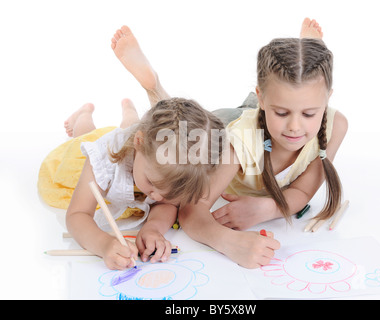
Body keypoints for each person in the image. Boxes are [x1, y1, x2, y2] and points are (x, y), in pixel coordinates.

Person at [109, 18, 348, 269]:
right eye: (282, 113)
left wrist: (267, 208)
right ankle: (154, 88)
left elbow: (302, 191)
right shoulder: (236, 143)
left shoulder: (335, 126)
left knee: (295, 91)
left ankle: (307, 51)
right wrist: (228, 241)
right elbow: (191, 209)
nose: (295, 127)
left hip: (265, 117)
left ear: (327, 100)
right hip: (225, 125)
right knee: (179, 141)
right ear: (262, 99)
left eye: (309, 114)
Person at [38, 95, 226, 270]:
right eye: (152, 183)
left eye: (169, 193)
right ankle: (83, 114)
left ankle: (129, 110)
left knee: (131, 126)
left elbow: (164, 204)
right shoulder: (103, 157)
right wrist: (103, 245)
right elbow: (77, 214)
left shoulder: (165, 162)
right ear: (139, 141)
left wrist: (153, 228)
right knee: (86, 133)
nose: (158, 197)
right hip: (90, 159)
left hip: (136, 141)